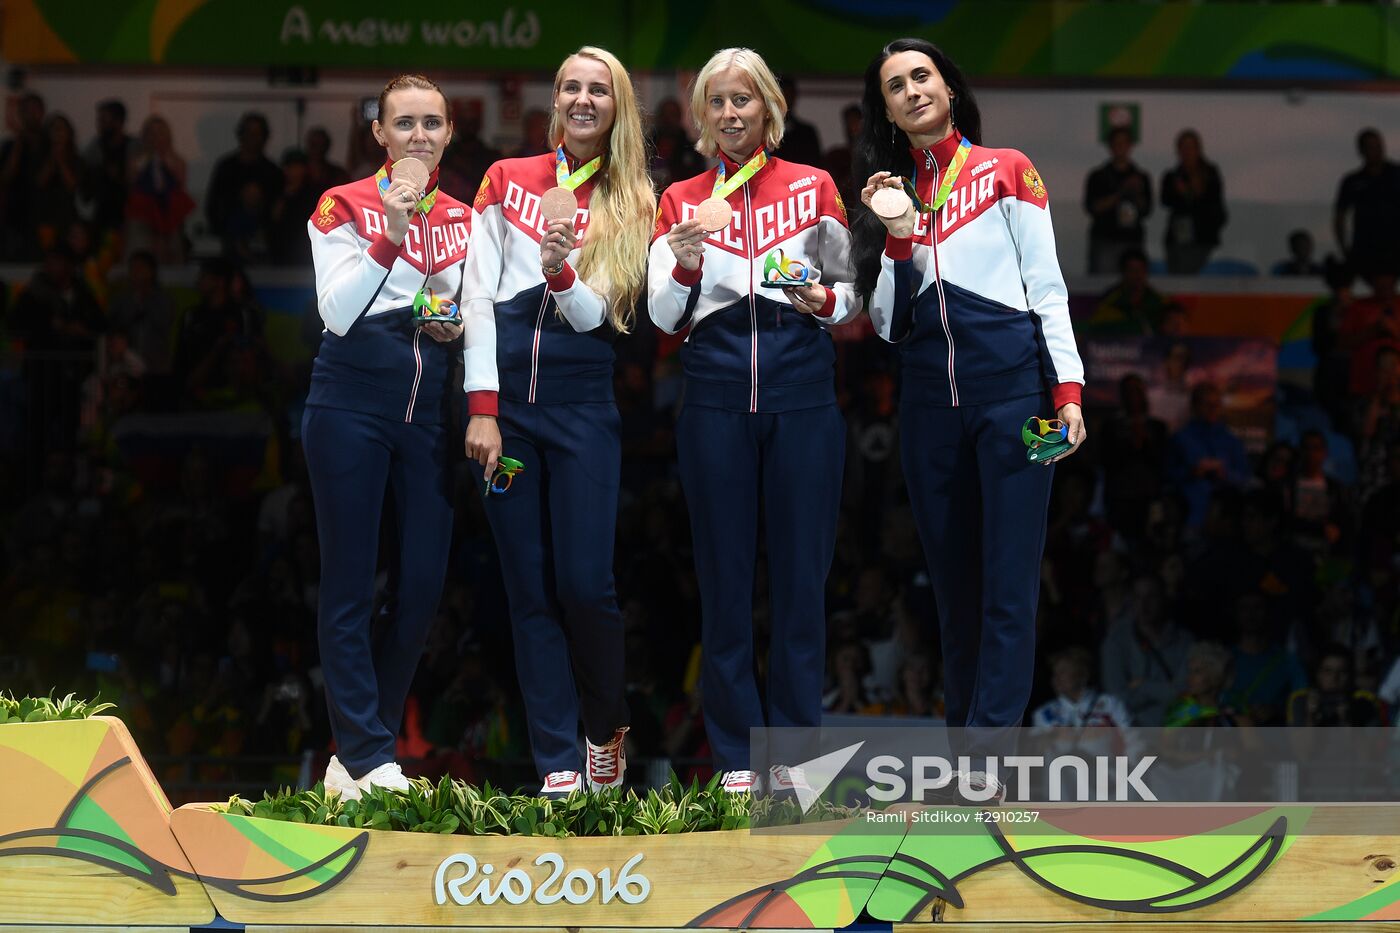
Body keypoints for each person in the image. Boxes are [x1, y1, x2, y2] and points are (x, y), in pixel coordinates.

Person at [853, 38, 1085, 802]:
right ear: (885, 108)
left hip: (1015, 395)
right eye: (896, 85)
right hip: (927, 408)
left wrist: (1070, 391)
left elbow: (1047, 287)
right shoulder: (889, 191)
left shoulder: (1006, 168)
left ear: (949, 87)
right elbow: (887, 324)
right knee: (952, 590)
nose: (912, 90)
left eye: (922, 75)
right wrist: (896, 234)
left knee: (1009, 583)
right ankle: (967, 767)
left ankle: (988, 759)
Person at [649, 47, 862, 795]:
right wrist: (682, 258)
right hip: (711, 401)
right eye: (718, 101)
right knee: (725, 586)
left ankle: (799, 765)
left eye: (745, 99)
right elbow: (661, 315)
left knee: (803, 585)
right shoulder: (679, 198)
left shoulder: (815, 187)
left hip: (804, 398)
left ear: (769, 107)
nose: (732, 113)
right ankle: (737, 760)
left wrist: (822, 303)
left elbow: (852, 295)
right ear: (701, 115)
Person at [460, 47, 653, 797]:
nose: (582, 99)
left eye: (597, 89)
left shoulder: (634, 196)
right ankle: (559, 767)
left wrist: (560, 266)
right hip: (507, 408)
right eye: (571, 86)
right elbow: (476, 296)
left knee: (583, 582)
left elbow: (603, 315)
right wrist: (483, 408)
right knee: (527, 587)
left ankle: (603, 732)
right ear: (554, 100)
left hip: (582, 405)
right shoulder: (504, 180)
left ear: (617, 105)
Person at [302, 74, 470, 800]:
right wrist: (389, 236)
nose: (419, 137)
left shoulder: (465, 215)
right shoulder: (343, 205)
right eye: (404, 124)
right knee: (349, 584)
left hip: (427, 411)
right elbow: (336, 313)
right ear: (379, 133)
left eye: (432, 123)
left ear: (449, 133)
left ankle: (356, 747)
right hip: (348, 406)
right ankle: (369, 754)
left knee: (423, 586)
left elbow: (462, 306)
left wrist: (452, 324)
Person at [1083, 125, 1152, 275]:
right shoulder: (1098, 176)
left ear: (1130, 146)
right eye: (1116, 143)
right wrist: (1121, 192)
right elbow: (1092, 208)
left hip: (1132, 242)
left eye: (1124, 143)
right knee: (1102, 286)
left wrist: (1136, 192)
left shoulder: (1140, 177)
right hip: (1105, 241)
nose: (1120, 147)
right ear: (1110, 146)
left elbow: (1146, 210)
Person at [205, 112, 283, 243]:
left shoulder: (272, 171)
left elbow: (277, 209)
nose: (252, 137)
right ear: (241, 134)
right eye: (249, 132)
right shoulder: (226, 167)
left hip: (264, 237)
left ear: (264, 136)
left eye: (257, 133)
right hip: (229, 235)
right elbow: (213, 205)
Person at [1335, 129, 1400, 279]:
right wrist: (1344, 248)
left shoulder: (1397, 175)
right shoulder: (1352, 181)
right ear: (1362, 151)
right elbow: (1340, 217)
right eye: (1371, 147)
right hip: (1365, 250)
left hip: (1395, 248)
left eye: (1379, 146)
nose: (1377, 151)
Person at [1159, 129, 1226, 274]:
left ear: (1198, 149)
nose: (1187, 152)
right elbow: (1165, 201)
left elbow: (1214, 204)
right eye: (1183, 148)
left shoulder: (1210, 174)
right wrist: (1180, 192)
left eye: (1191, 147)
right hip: (1178, 239)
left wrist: (1196, 191)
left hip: (1204, 238)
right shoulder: (1172, 176)